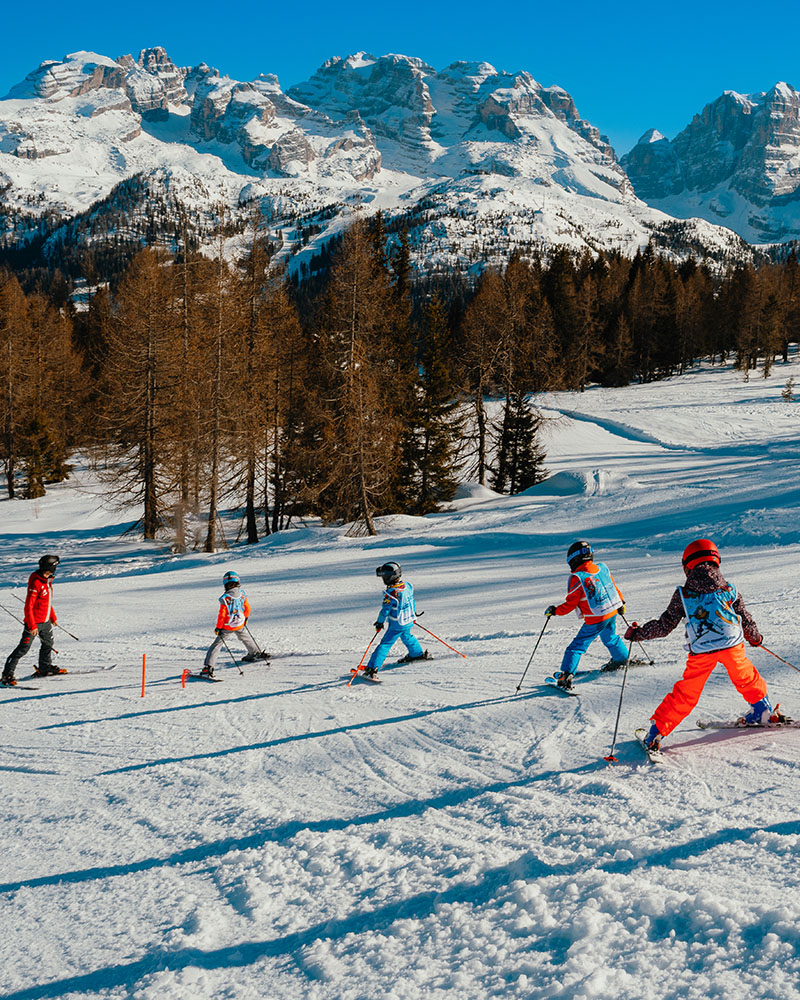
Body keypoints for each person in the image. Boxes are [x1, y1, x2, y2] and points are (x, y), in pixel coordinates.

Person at [627, 539, 780, 752]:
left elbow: (664, 625)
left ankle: (656, 733)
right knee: (745, 676)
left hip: (702, 650)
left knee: (686, 693)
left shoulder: (683, 594)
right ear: (716, 562)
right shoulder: (729, 589)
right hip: (732, 645)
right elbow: (745, 618)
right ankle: (762, 709)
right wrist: (755, 638)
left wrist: (638, 633)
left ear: (687, 567)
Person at [545, 540, 627, 691]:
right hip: (612, 611)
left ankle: (567, 676)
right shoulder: (602, 568)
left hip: (596, 618)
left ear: (574, 559)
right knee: (611, 638)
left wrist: (555, 611)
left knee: (576, 647)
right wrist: (621, 603)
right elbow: (612, 588)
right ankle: (622, 660)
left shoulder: (578, 578)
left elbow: (570, 604)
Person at [2, 554, 66, 686]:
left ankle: (45, 667)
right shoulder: (37, 583)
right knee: (23, 649)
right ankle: (7, 676)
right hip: (34, 623)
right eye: (55, 566)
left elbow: (46, 602)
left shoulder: (47, 581)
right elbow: (28, 607)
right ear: (51, 567)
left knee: (48, 644)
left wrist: (52, 616)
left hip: (45, 621)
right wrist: (32, 625)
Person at [363, 562, 432, 679]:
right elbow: (411, 601)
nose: (383, 579)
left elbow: (385, 611)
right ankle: (417, 654)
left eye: (384, 577)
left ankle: (372, 669)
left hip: (397, 624)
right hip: (408, 620)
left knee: (385, 644)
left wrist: (380, 622)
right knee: (407, 636)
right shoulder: (408, 586)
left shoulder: (391, 594)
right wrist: (412, 615)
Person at [202, 571, 268, 677]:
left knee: (217, 645)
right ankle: (255, 653)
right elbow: (247, 608)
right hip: (240, 622)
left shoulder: (225, 598)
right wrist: (245, 618)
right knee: (245, 637)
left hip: (228, 625)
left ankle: (208, 667)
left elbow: (222, 615)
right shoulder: (242, 594)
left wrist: (218, 628)